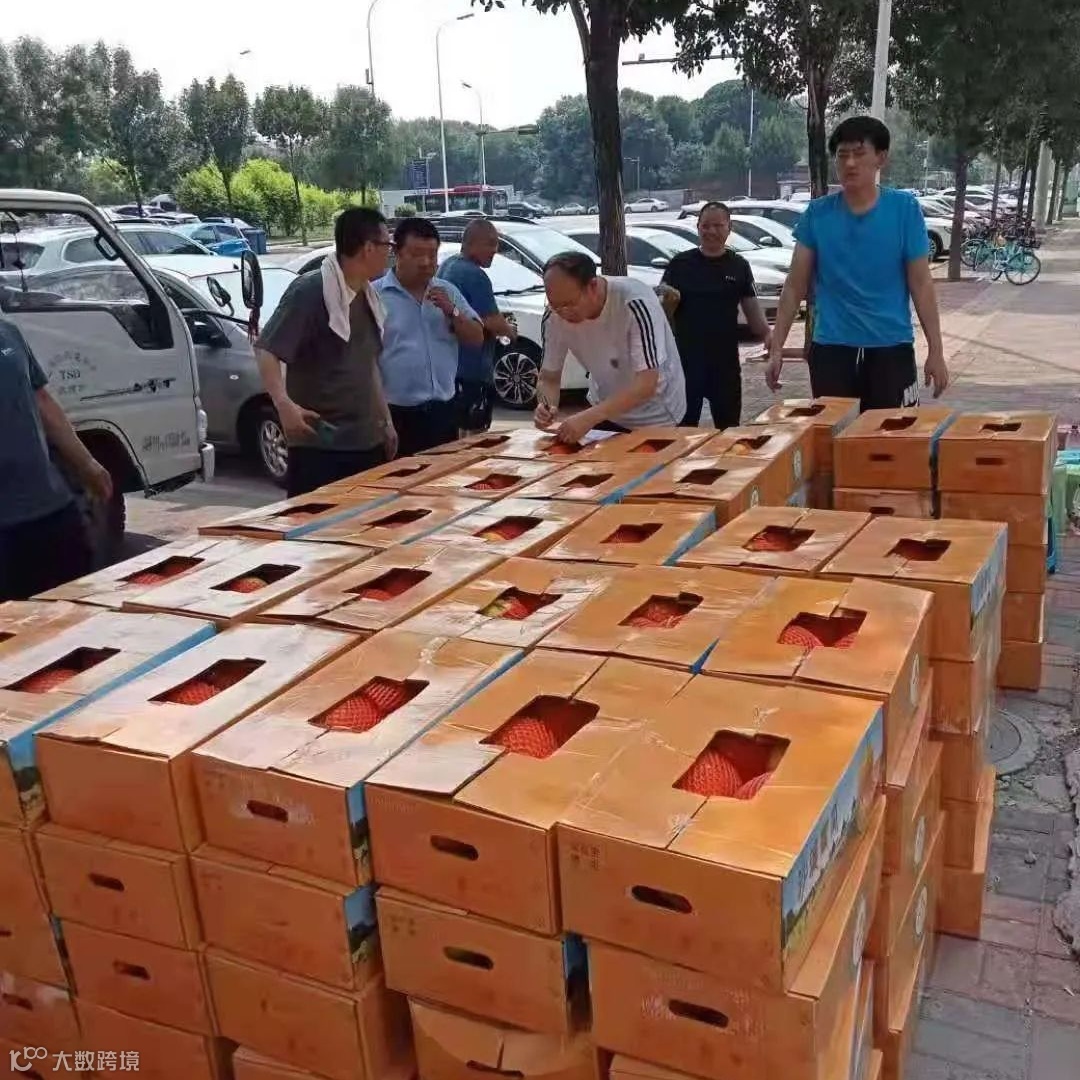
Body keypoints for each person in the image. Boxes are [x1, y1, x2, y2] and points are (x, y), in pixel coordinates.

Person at [766, 115, 949, 410]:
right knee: (834, 433)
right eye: (842, 155)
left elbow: (921, 284)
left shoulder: (904, 210)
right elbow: (794, 285)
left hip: (891, 348)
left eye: (859, 153)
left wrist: (936, 351)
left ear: (881, 158)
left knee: (891, 434)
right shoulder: (817, 214)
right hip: (832, 350)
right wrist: (777, 348)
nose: (850, 163)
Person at [256, 207, 397, 497]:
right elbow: (267, 349)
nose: (390, 252)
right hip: (321, 446)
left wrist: (386, 421)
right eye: (388, 244)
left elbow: (368, 364)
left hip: (366, 442)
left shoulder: (368, 295)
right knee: (318, 525)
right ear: (369, 248)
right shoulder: (310, 291)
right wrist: (283, 404)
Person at [0, 318, 112, 600]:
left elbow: (41, 400)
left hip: (49, 506)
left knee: (74, 601)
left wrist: (87, 464)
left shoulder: (8, 332)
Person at [536, 252, 686, 443]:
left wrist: (588, 417)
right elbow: (549, 378)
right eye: (555, 305)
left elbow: (646, 384)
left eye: (570, 304)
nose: (563, 313)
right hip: (604, 408)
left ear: (592, 286)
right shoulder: (553, 316)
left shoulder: (635, 302)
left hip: (657, 414)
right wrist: (546, 406)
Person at [374, 217, 485, 456]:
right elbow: (364, 361)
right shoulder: (375, 296)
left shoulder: (448, 292)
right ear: (397, 253)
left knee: (444, 476)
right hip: (396, 414)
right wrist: (382, 420)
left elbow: (477, 338)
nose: (426, 262)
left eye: (432, 255)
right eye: (416, 254)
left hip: (443, 411)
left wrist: (452, 311)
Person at [661, 201, 772, 427]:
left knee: (729, 428)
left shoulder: (738, 265)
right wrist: (668, 304)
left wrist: (770, 339)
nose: (711, 231)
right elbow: (662, 315)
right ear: (698, 227)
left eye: (718, 226)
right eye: (705, 226)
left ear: (729, 228)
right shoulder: (680, 264)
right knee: (683, 431)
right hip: (686, 363)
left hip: (725, 363)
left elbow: (753, 313)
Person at [439, 219, 519, 434]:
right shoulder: (474, 275)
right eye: (490, 243)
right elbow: (491, 320)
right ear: (472, 243)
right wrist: (510, 332)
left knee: (456, 433)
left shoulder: (448, 266)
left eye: (496, 244)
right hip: (472, 370)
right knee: (475, 436)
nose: (495, 250)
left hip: (449, 369)